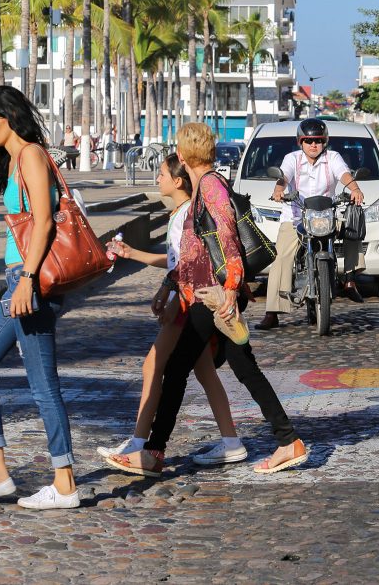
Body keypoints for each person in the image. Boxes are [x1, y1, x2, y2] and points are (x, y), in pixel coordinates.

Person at [113, 122, 309, 475]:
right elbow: (195, 252)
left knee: (175, 370)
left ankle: (154, 452)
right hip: (207, 292)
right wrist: (171, 283)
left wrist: (230, 290)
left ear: (186, 154)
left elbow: (228, 238)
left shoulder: (211, 185)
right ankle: (287, 440)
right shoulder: (206, 186)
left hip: (214, 295)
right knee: (244, 369)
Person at [0, 85, 79, 510]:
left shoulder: (30, 154)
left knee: (44, 385)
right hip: (18, 279)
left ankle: (64, 484)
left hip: (31, 281)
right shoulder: (13, 160)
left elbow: (44, 224)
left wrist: (26, 279)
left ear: (10, 116)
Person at [97, 154, 247, 474]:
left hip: (188, 304)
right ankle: (231, 441)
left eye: (162, 174)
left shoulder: (183, 217)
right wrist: (145, 266)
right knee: (205, 374)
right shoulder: (180, 214)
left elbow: (184, 267)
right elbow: (175, 266)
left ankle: (140, 444)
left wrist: (170, 295)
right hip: (187, 301)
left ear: (177, 182)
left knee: (154, 365)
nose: (158, 179)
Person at [255, 118, 366, 331]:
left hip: (327, 216)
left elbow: (343, 174)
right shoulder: (292, 159)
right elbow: (284, 176)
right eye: (308, 141)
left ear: (325, 141)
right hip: (296, 218)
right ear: (300, 142)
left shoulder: (333, 157)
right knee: (281, 258)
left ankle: (350, 279)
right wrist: (279, 190)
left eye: (318, 141)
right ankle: (272, 312)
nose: (313, 145)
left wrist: (354, 189)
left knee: (352, 228)